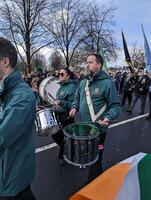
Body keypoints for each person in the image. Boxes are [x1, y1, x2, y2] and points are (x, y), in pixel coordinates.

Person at [69, 53, 121, 183]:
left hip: (99, 129)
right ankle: (98, 178)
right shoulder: (83, 83)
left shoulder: (107, 83)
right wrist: (74, 107)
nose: (87, 65)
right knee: (88, 154)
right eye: (86, 62)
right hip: (84, 127)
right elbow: (76, 97)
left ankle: (93, 184)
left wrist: (108, 117)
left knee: (96, 157)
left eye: (90, 62)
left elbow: (116, 106)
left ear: (99, 65)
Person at [0, 38, 36, 199]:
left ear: (5, 61)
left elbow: (2, 136)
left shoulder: (23, 96)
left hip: (10, 178)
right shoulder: (5, 91)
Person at [51, 68, 77, 164]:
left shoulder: (72, 87)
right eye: (59, 74)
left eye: (62, 74)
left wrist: (61, 102)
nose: (59, 76)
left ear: (68, 75)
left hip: (66, 116)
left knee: (68, 136)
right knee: (54, 134)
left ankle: (66, 154)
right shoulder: (61, 86)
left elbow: (73, 104)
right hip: (57, 114)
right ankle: (65, 148)